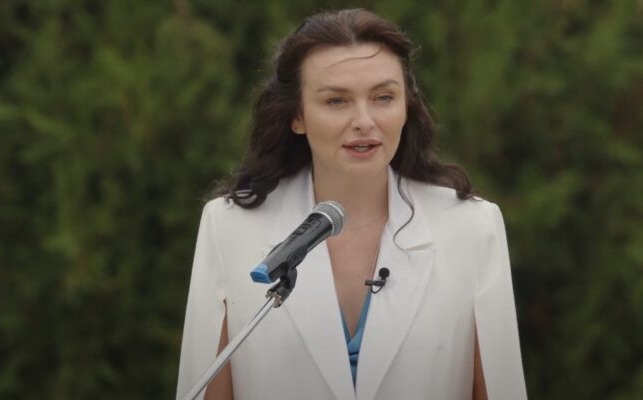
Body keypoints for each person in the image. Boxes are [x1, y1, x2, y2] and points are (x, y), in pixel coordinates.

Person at [176, 9, 526, 400]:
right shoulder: (229, 227)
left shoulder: (473, 226)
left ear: (406, 106)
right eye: (337, 101)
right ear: (297, 116)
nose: (364, 120)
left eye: (383, 97)